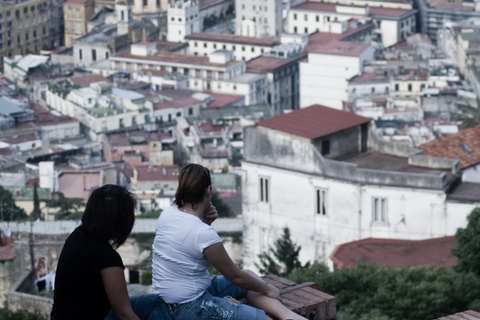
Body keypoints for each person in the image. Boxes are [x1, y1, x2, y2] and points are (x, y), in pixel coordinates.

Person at [152, 164, 307, 320]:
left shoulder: (167, 214)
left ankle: (287, 316)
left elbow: (188, 245)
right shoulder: (202, 232)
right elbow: (235, 276)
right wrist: (268, 289)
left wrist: (205, 221)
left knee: (249, 277)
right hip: (191, 306)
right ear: (208, 190)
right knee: (254, 294)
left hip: (173, 297)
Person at [51, 184, 170, 320]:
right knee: (161, 304)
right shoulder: (106, 257)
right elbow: (124, 313)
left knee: (156, 303)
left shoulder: (78, 235)